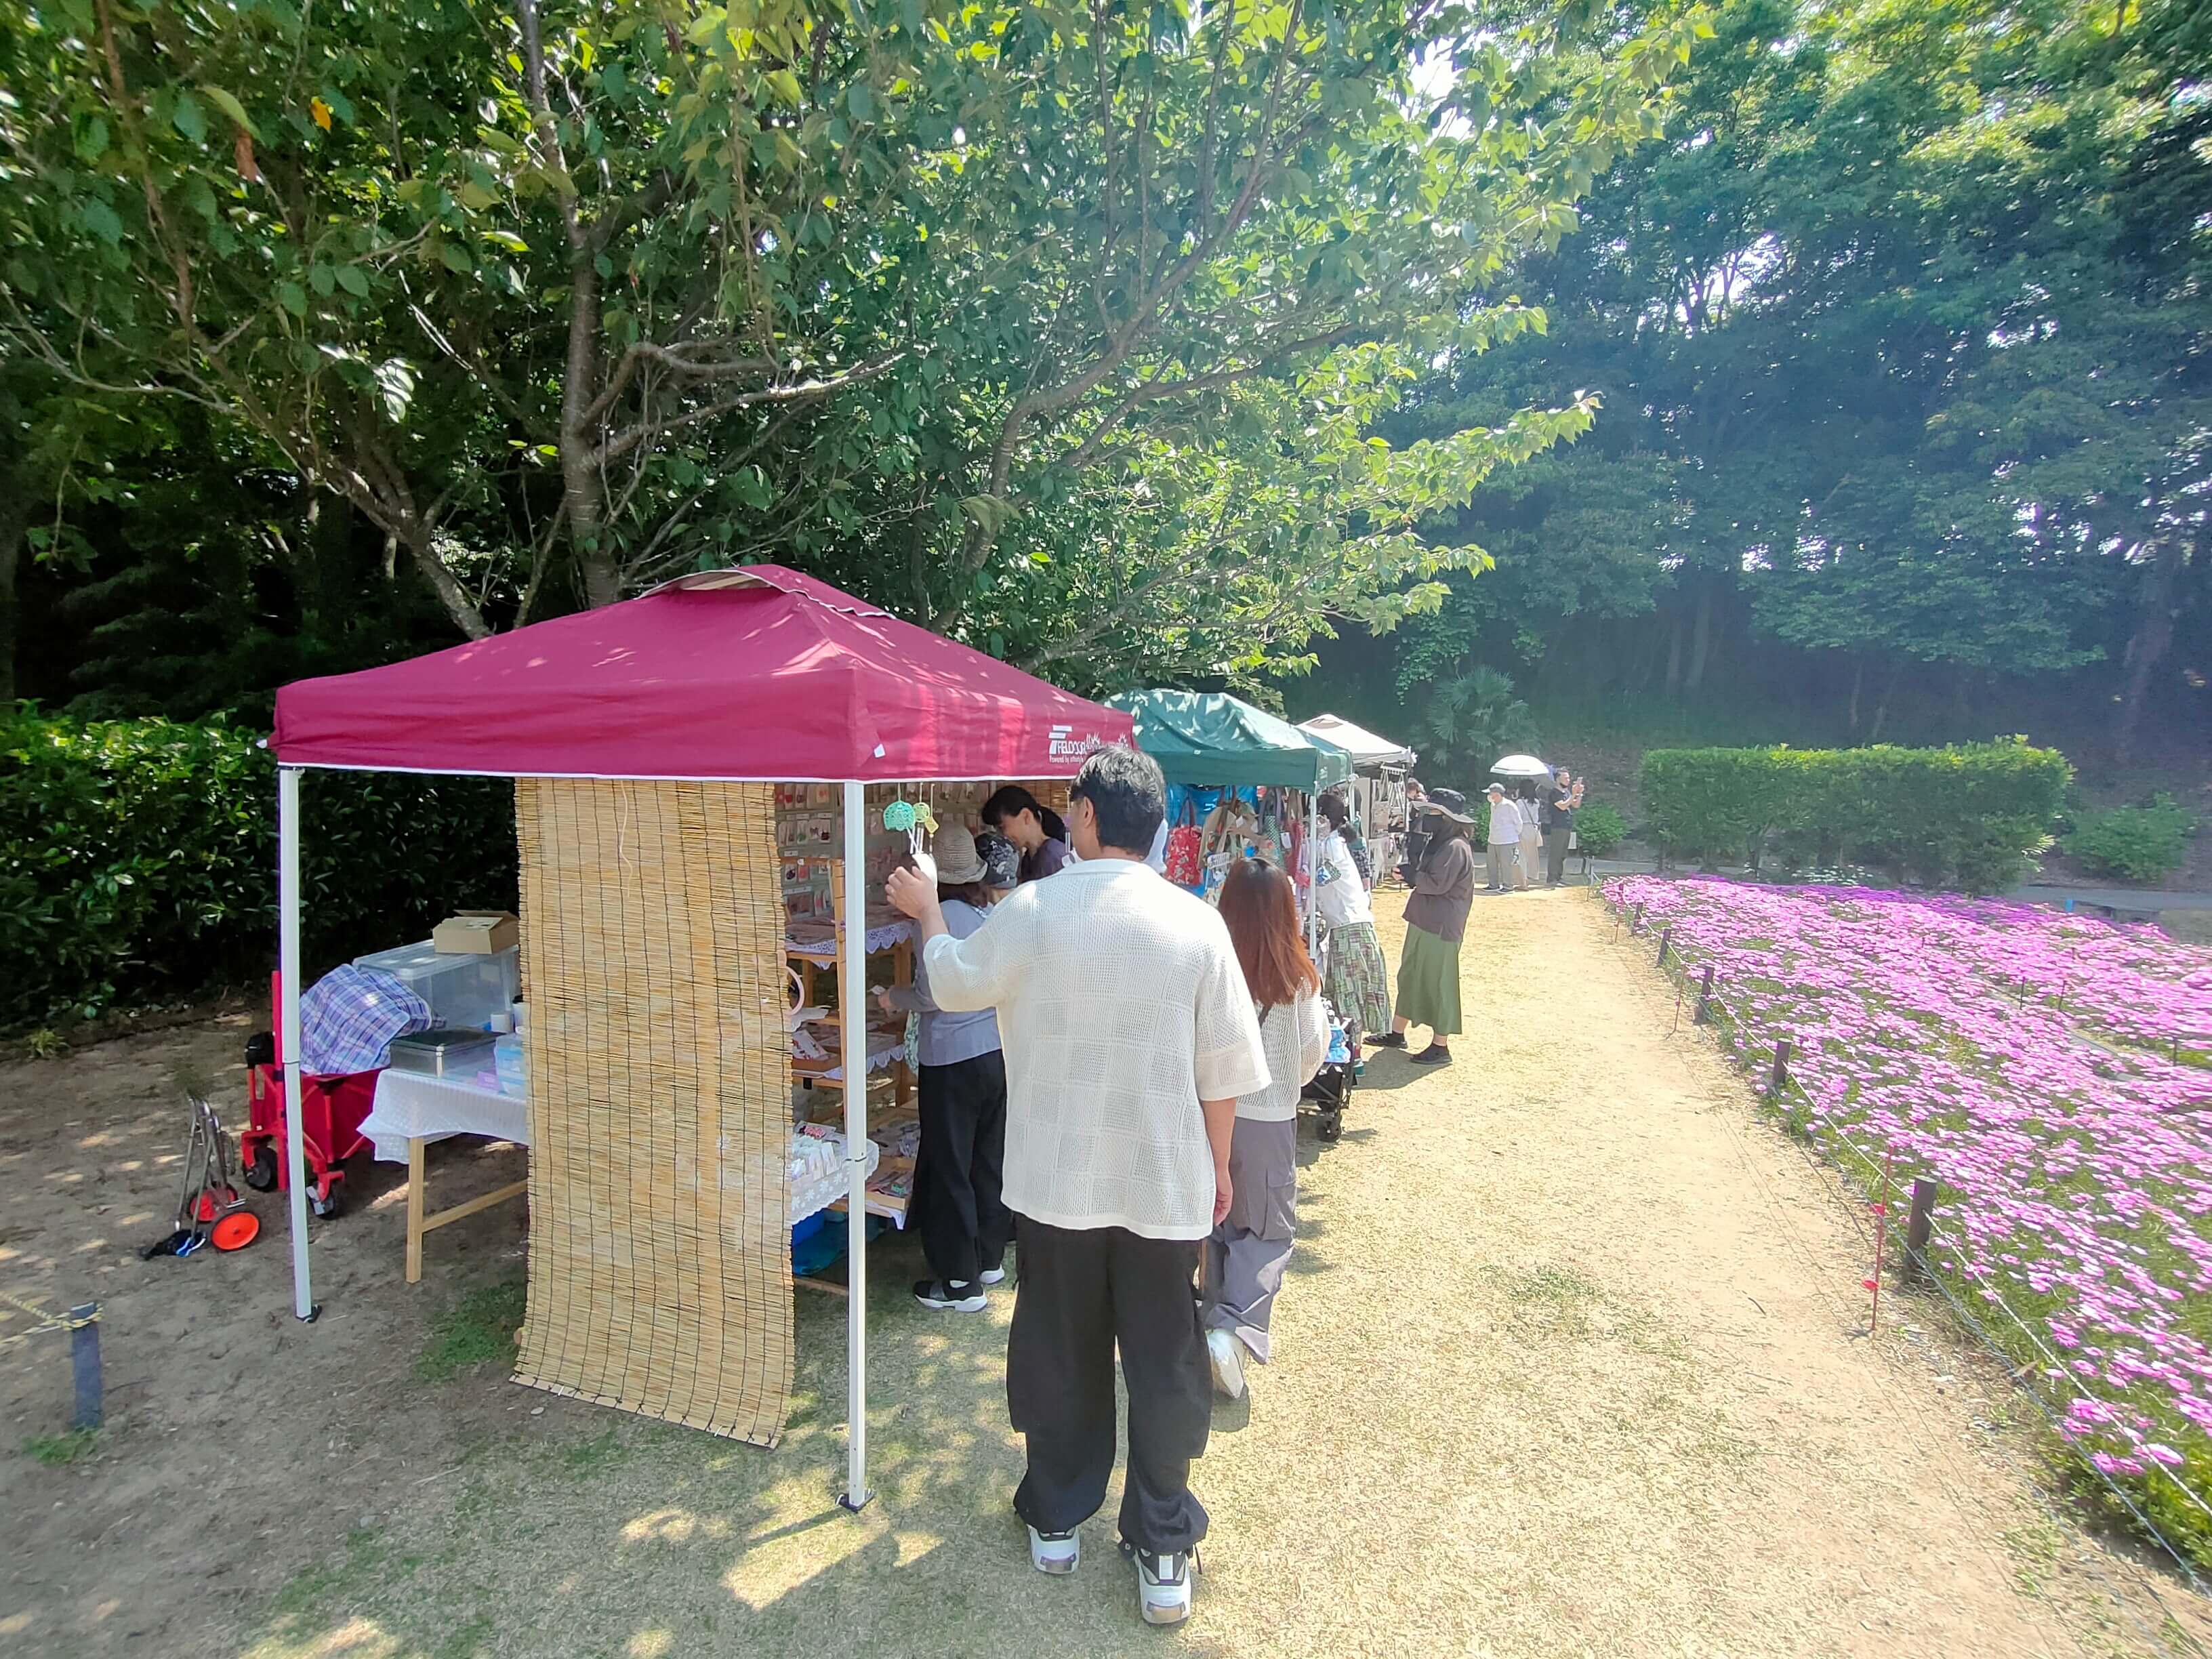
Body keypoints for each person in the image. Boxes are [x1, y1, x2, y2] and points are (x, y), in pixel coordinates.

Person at [885, 745, 1268, 1628]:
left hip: (1057, 1183)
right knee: (1164, 1359)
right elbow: (1224, 1073)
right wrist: (1217, 1166)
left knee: (1060, 1347)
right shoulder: (1195, 925)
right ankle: (1162, 1540)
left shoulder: (1033, 909)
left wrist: (928, 911)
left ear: (1087, 816)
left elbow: (955, 983)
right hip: (1161, 1181)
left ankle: (1058, 1516)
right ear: (1157, 825)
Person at [1201, 860, 1326, 1401]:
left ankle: (1211, 1326)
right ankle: (1230, 1334)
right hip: (1268, 1121)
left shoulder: (1209, 966)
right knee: (1265, 1232)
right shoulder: (1296, 976)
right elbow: (1310, 1057)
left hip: (1208, 1115)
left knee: (1215, 1225)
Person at [877, 825, 1012, 1313]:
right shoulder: (985, 912)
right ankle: (988, 1258)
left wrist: (893, 997)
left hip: (953, 1058)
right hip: (995, 1049)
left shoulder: (937, 917)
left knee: (949, 1166)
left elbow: (934, 992)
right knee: (987, 1159)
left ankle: (959, 1282)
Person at [1370, 789, 1477, 1066]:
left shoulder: (1456, 847)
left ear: (1448, 818)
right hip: (1424, 919)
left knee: (1439, 983)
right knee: (1410, 975)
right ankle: (1397, 1032)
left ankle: (1441, 1046)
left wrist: (1412, 876)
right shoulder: (1442, 843)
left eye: (1434, 812)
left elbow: (1437, 884)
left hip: (1441, 926)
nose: (1427, 816)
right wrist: (1412, 867)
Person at [1313, 792, 1393, 1036]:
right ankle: (1351, 1046)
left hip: (1350, 927)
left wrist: (1304, 879)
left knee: (1349, 991)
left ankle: (1353, 1048)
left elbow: (1329, 874)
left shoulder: (1333, 844)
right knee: (1348, 989)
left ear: (1323, 818)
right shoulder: (1333, 841)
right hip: (1349, 924)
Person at [981, 785, 1072, 884]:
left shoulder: (1052, 855)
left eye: (1002, 827)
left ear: (1026, 816)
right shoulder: (1028, 859)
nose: (1001, 835)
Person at [1542, 769, 1578, 886]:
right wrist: (1573, 795)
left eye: (1569, 778)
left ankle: (1559, 876)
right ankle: (1552, 878)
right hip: (1558, 826)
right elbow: (1562, 806)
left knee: (1563, 853)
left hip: (1567, 825)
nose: (1568, 780)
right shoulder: (1554, 793)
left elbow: (1576, 805)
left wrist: (1579, 794)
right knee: (1556, 853)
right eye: (1565, 778)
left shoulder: (1566, 792)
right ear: (1558, 779)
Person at [1515, 779, 1542, 890]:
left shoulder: (1520, 802)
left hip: (1523, 828)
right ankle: (1532, 877)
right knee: (1532, 855)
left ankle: (1524, 881)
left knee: (1522, 855)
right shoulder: (1537, 802)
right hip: (1534, 829)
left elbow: (1518, 819)